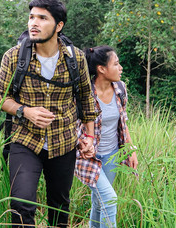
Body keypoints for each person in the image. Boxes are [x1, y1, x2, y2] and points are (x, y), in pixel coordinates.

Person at [0, 0, 97, 227]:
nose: (34, 23)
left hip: (64, 143)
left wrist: (89, 137)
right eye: (31, 17)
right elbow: (0, 97)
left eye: (42, 18)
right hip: (24, 141)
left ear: (59, 26)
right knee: (21, 204)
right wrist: (25, 111)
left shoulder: (76, 59)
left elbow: (86, 100)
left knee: (59, 209)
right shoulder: (14, 56)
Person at [75, 45, 138, 228]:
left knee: (99, 201)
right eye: (116, 64)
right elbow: (71, 125)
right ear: (101, 69)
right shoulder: (83, 93)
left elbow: (123, 122)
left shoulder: (120, 88)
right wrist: (82, 144)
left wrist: (130, 149)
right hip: (88, 157)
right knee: (110, 200)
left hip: (112, 154)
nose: (121, 68)